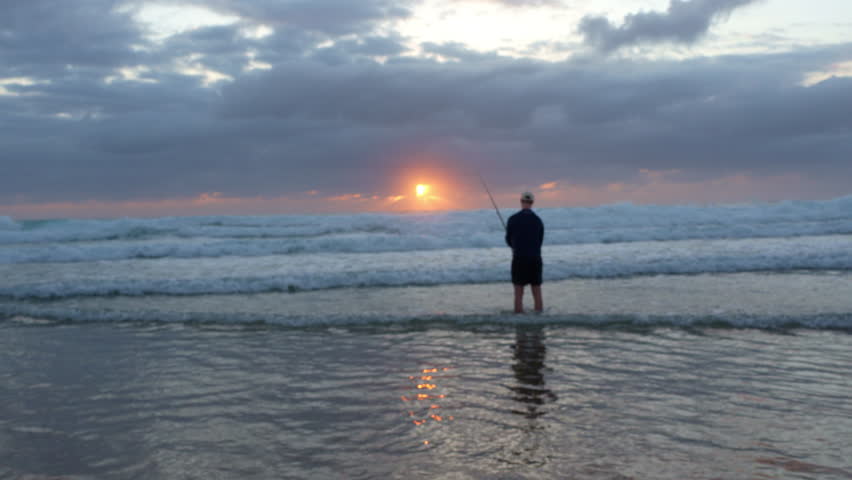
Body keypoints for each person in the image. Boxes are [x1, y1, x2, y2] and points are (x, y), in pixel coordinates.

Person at [505, 192, 544, 313]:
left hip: (519, 258)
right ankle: (538, 317)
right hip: (535, 259)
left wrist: (515, 247)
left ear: (521, 201)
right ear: (532, 203)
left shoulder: (513, 219)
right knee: (536, 291)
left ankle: (518, 318)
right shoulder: (538, 221)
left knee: (518, 291)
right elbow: (539, 241)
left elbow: (508, 239)